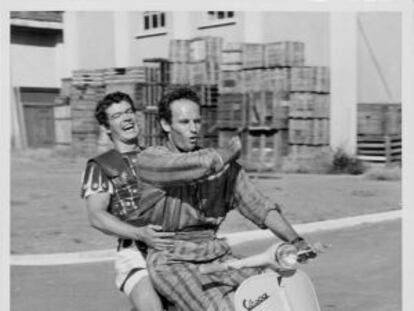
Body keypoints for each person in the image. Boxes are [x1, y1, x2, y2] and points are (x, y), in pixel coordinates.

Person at [135, 86, 316, 311]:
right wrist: (227, 153)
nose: (193, 129)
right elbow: (191, 166)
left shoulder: (224, 168)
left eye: (197, 121)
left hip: (215, 252)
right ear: (165, 124)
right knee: (227, 307)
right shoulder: (151, 160)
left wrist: (295, 240)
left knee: (276, 290)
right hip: (171, 259)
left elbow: (259, 205)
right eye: (184, 122)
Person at [80, 91, 241, 311]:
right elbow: (96, 216)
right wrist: (141, 234)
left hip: (176, 247)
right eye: (117, 116)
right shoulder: (101, 165)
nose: (127, 118)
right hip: (135, 251)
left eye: (129, 112)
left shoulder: (161, 155)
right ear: (107, 127)